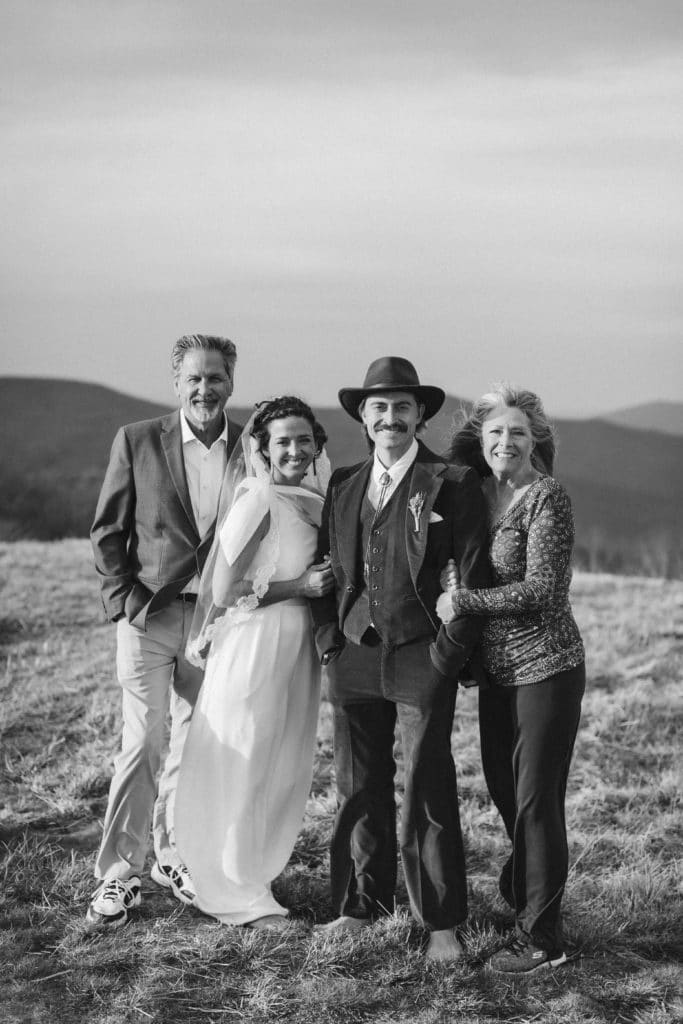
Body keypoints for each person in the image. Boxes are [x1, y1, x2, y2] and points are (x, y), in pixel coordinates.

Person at [311, 356, 490, 962]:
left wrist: (446, 656)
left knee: (428, 787)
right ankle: (361, 907)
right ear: (363, 417)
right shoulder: (343, 483)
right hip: (354, 652)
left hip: (423, 656)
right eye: (379, 407)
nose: (391, 417)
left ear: (420, 416)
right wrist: (329, 641)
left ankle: (440, 923)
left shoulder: (455, 482)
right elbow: (330, 570)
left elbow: (471, 578)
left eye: (403, 407)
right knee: (357, 786)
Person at [87, 334, 242, 929]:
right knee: (145, 741)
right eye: (195, 379)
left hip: (214, 622)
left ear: (231, 381)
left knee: (195, 744)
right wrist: (122, 600)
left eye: (216, 378)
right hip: (148, 616)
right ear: (177, 383)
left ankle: (173, 857)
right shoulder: (137, 440)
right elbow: (108, 529)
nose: (206, 389)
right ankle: (118, 875)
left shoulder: (247, 446)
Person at [439, 383, 585, 974]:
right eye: (496, 431)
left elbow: (544, 590)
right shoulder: (474, 494)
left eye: (518, 432)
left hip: (547, 668)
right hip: (497, 675)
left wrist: (463, 600)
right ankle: (527, 890)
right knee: (505, 793)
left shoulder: (546, 497)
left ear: (535, 441)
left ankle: (543, 940)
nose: (507, 441)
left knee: (535, 801)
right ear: (482, 439)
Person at [174, 396, 334, 929]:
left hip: (295, 647)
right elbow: (223, 588)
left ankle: (252, 873)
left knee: (278, 764)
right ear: (262, 447)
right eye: (282, 441)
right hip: (256, 645)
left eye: (302, 440)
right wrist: (300, 585)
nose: (293, 449)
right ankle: (236, 894)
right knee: (246, 760)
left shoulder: (310, 495)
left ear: (317, 446)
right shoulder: (257, 499)